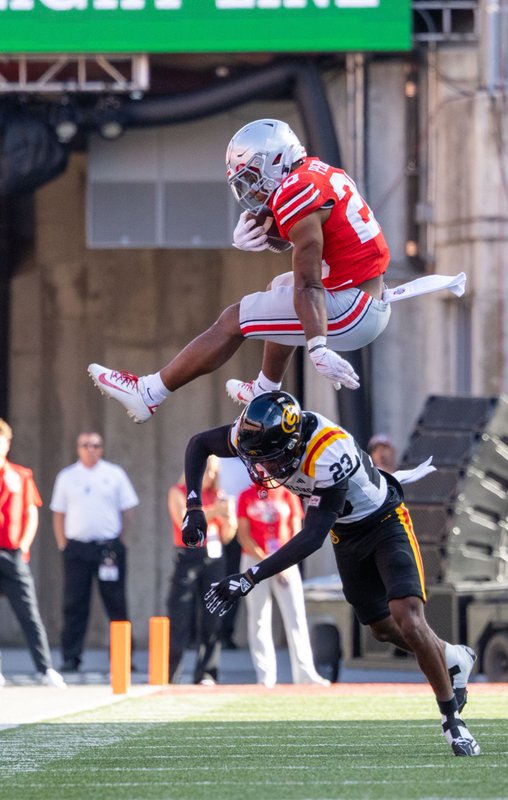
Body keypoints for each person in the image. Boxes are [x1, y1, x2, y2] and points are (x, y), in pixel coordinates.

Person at [192, 391, 480, 755]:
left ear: (293, 443)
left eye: (271, 458)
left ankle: (451, 720)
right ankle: (453, 656)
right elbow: (199, 444)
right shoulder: (257, 431)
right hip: (345, 533)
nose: (264, 467)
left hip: (383, 521)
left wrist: (250, 577)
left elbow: (311, 537)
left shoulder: (329, 451)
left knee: (407, 616)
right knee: (381, 628)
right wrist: (193, 506)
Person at [89, 119, 390, 421]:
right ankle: (265, 387)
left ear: (274, 162)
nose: (253, 191)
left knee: (234, 319)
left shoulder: (295, 191)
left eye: (253, 177)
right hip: (367, 295)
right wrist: (261, 233)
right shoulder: (318, 173)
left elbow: (308, 283)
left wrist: (317, 346)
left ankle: (148, 393)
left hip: (352, 309)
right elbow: (310, 236)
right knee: (278, 287)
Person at [50, 431, 139, 673]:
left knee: (117, 604)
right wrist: (63, 544)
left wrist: (118, 538)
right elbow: (58, 512)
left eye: (96, 445)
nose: (91, 449)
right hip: (77, 549)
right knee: (74, 604)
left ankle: (122, 659)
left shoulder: (114, 474)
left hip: (108, 549)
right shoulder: (67, 476)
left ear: (102, 448)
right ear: (78, 448)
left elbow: (127, 510)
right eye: (85, 445)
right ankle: (71, 658)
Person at [237, 482, 329, 687]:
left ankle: (306, 673)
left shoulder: (287, 494)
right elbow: (243, 535)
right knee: (258, 617)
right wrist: (266, 563)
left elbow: (297, 532)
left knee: (295, 616)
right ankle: (265, 675)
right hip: (255, 559)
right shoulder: (245, 495)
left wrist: (284, 562)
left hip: (285, 560)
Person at [0, 418, 66, 688]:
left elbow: (31, 513)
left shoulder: (21, 474)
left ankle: (45, 668)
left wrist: (24, 545)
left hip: (13, 553)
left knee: (29, 612)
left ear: (7, 443)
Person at [166, 457, 235, 685]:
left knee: (212, 616)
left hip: (214, 557)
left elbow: (226, 536)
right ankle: (170, 673)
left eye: (215, 472)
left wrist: (229, 519)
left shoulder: (219, 494)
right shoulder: (179, 492)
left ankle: (207, 672)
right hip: (188, 556)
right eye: (208, 472)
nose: (212, 477)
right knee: (180, 616)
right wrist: (215, 511)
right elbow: (183, 521)